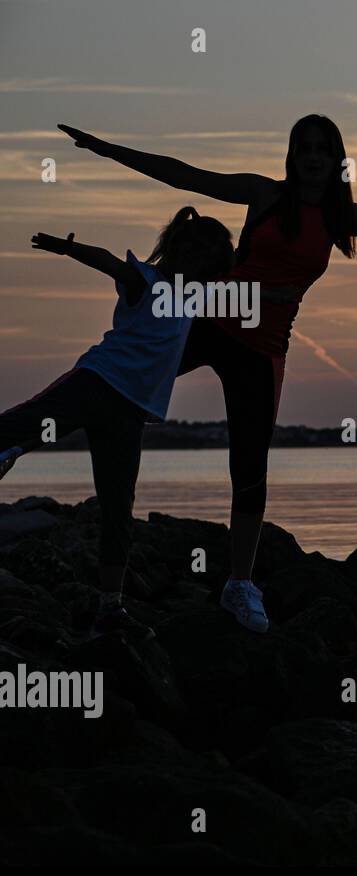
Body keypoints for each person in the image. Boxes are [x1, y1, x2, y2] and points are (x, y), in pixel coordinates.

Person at [57, 116, 357, 633]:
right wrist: (106, 149)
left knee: (250, 467)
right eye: (304, 147)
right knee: (118, 375)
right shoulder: (263, 195)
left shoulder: (339, 219)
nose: (313, 156)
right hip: (209, 322)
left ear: (337, 159)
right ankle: (27, 434)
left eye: (323, 148)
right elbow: (185, 175)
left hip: (264, 351)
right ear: (292, 155)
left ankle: (239, 586)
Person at [0, 208, 235, 639]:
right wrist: (69, 249)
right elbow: (110, 261)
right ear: (185, 252)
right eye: (207, 266)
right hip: (97, 382)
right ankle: (9, 450)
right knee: (22, 423)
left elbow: (241, 293)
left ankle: (111, 606)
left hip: (129, 413)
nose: (208, 277)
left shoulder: (188, 298)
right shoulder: (145, 280)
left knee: (117, 507)